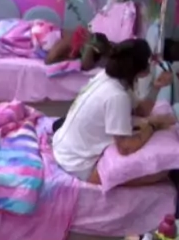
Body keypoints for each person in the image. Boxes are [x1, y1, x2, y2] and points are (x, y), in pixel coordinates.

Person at [52, 39, 175, 186]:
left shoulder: (108, 77)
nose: (152, 64)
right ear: (139, 68)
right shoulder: (117, 96)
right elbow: (125, 147)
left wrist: (156, 87)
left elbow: (141, 111)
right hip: (76, 164)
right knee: (160, 175)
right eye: (149, 61)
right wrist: (152, 126)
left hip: (62, 148)